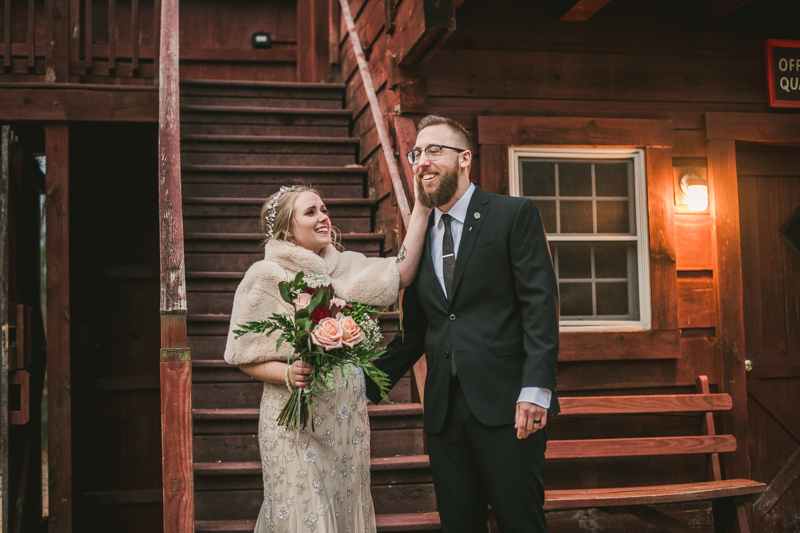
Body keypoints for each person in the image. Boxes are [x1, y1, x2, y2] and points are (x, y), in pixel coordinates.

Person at [365, 116, 560, 533]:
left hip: (508, 407)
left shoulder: (512, 214)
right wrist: (360, 383)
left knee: (520, 522)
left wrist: (536, 390)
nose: (422, 161)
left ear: (465, 158)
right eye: (416, 154)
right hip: (443, 415)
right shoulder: (419, 237)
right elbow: (415, 332)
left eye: (435, 150)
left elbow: (539, 308)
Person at [224, 184, 430, 533]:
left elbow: (401, 272)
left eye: (323, 209)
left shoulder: (347, 265)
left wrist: (423, 210)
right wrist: (289, 373)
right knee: (308, 518)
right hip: (294, 425)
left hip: (346, 422)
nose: (323, 217)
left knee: (344, 513)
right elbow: (244, 355)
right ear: (287, 229)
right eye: (310, 212)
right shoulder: (267, 275)